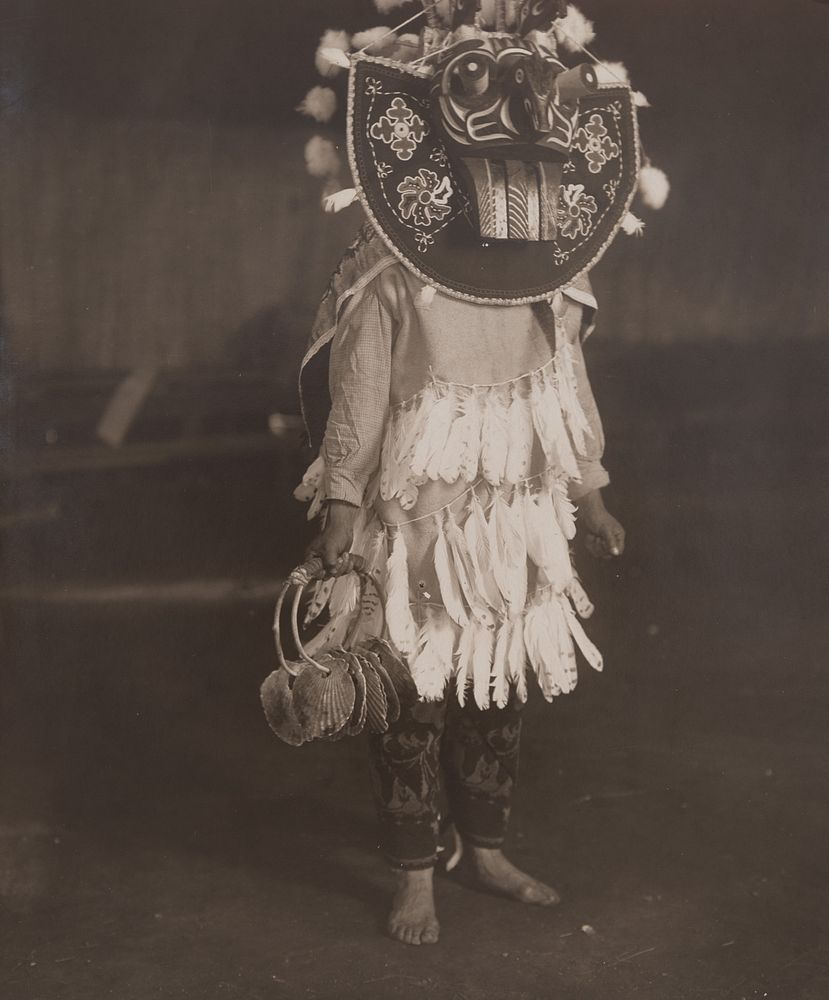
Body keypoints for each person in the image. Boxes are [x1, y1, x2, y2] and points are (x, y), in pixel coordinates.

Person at [288, 0, 659, 946]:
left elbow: (565, 388)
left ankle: (484, 847)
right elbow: (360, 393)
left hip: (513, 518)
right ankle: (416, 872)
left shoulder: (552, 277)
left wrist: (591, 492)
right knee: (408, 689)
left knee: (501, 681)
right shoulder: (392, 276)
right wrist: (340, 505)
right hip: (416, 514)